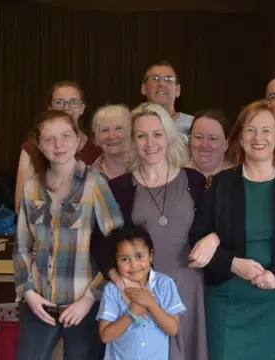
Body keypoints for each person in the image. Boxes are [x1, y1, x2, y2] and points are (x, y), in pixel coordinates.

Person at [188, 99, 275, 360]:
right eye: (250, 130)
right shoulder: (222, 184)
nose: (257, 137)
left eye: (265, 130)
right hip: (228, 299)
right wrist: (232, 263)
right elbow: (196, 236)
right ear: (239, 138)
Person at [90, 102, 208, 360]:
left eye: (157, 134)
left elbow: (213, 226)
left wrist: (213, 238)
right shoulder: (120, 187)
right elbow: (99, 242)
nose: (149, 143)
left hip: (187, 286)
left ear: (169, 135)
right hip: (138, 290)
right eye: (141, 135)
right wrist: (120, 281)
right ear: (132, 141)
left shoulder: (194, 181)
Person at [13, 109, 124, 360]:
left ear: (77, 140)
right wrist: (28, 292)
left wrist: (89, 298)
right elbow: (21, 246)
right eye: (49, 139)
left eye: (65, 136)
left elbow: (118, 247)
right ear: (39, 146)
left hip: (84, 307)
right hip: (38, 305)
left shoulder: (96, 184)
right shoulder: (31, 187)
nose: (58, 145)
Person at [98, 224, 186, 360]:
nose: (133, 265)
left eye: (139, 256)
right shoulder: (112, 290)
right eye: (124, 259)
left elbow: (172, 329)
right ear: (116, 261)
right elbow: (105, 336)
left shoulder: (165, 285)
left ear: (151, 255)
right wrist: (132, 313)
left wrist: (151, 304)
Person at [15, 80, 102, 211]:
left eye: (73, 102)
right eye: (59, 102)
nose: (66, 107)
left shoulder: (98, 148)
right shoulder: (32, 148)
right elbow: (20, 205)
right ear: (50, 108)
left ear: (82, 108)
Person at [141, 61, 193, 139]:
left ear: (177, 90)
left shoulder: (194, 125)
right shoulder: (130, 124)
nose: (162, 84)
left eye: (168, 79)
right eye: (155, 78)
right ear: (144, 88)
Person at [185, 109, 231, 178]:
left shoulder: (240, 180)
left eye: (212, 138)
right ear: (190, 139)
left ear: (226, 144)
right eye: (198, 137)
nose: (204, 145)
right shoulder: (174, 177)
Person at [91, 104, 130, 179]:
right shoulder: (87, 177)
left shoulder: (145, 168)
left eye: (118, 128)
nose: (111, 136)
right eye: (105, 130)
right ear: (96, 136)